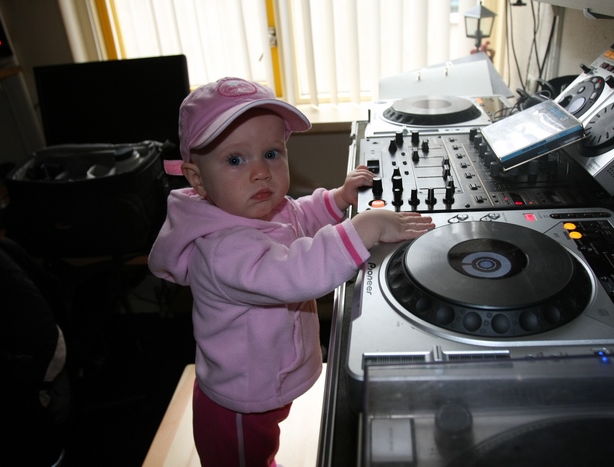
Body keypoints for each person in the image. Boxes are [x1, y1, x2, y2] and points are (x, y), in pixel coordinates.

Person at [148, 77, 434, 466]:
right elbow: (294, 273)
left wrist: (337, 199)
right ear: (197, 179)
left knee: (265, 447)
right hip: (239, 404)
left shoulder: (262, 207)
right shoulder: (221, 248)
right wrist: (363, 228)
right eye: (235, 160)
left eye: (271, 153)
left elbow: (299, 215)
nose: (260, 172)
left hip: (267, 382)